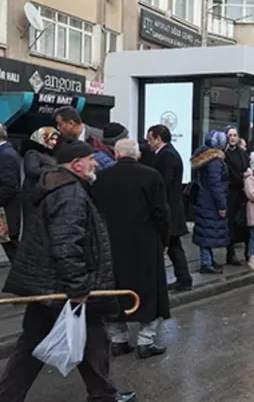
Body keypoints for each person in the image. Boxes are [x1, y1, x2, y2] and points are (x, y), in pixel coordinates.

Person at [0, 139, 135, 402]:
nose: (95, 163)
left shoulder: (63, 187)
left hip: (57, 284)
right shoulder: (70, 193)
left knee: (90, 340)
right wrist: (77, 287)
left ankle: (104, 394)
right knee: (39, 345)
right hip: (63, 286)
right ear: (77, 164)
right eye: (91, 159)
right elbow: (66, 243)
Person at [93, 139, 171, 359]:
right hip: (144, 242)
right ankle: (145, 341)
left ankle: (118, 339)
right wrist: (164, 240)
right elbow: (161, 213)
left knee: (116, 290)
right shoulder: (151, 176)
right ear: (137, 155)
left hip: (111, 243)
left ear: (116, 155)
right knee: (149, 292)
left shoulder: (101, 178)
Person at [147, 124, 193, 292]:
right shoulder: (167, 153)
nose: (148, 143)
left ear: (158, 139)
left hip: (169, 209)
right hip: (171, 208)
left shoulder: (167, 156)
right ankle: (183, 278)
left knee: (171, 245)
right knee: (174, 246)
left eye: (150, 139)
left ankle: (182, 279)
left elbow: (163, 184)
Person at [190, 130, 229, 274]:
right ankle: (206, 262)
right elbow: (216, 184)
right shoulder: (215, 161)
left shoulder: (203, 156)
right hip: (211, 202)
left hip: (204, 199)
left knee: (205, 230)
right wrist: (222, 205)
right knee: (207, 232)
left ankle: (208, 260)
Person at [53, 106, 116, 171]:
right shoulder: (61, 143)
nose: (58, 128)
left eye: (60, 124)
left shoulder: (99, 137)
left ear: (71, 123)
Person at [223, 126, 250, 266]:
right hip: (231, 193)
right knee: (231, 223)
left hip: (243, 193)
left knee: (245, 222)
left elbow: (247, 167)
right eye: (230, 135)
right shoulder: (223, 153)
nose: (233, 138)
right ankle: (230, 253)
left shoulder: (243, 153)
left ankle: (248, 251)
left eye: (235, 135)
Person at [0, 125, 22, 263]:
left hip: (5, 211)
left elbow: (9, 186)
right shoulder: (6, 152)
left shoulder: (5, 155)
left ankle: (25, 278)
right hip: (6, 210)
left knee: (11, 247)